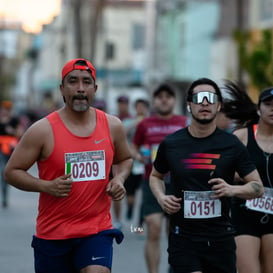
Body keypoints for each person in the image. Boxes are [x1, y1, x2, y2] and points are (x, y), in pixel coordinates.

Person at [4, 58, 133, 273]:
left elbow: (125, 159)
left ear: (95, 88)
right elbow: (11, 172)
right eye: (73, 82)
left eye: (86, 82)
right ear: (62, 89)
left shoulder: (112, 126)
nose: (80, 88)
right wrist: (45, 186)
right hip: (53, 232)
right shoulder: (42, 130)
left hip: (96, 229)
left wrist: (119, 178)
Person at [149, 77, 264, 273]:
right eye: (198, 98)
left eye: (210, 98)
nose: (204, 102)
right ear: (188, 105)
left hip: (221, 239)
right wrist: (161, 197)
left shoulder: (232, 144)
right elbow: (155, 176)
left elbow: (258, 188)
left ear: (218, 106)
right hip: (183, 238)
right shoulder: (171, 144)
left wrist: (232, 189)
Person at [132, 83, 187, 273]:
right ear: (154, 101)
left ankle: (173, 268)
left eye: (168, 96)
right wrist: (138, 156)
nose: (164, 99)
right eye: (160, 96)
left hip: (178, 182)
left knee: (173, 232)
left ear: (174, 100)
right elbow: (133, 145)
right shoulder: (145, 124)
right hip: (153, 180)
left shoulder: (184, 122)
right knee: (153, 228)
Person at [222, 82, 273, 273]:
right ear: (259, 108)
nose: (272, 109)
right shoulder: (241, 136)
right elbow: (225, 172)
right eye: (268, 104)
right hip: (244, 214)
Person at [123, 98, 150, 221]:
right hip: (133, 161)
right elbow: (122, 132)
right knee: (131, 192)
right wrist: (138, 123)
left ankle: (140, 222)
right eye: (138, 107)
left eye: (143, 107)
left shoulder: (150, 122)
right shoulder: (129, 121)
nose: (141, 109)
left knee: (145, 194)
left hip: (146, 161)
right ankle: (130, 207)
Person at [112, 94, 132, 228]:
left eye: (124, 103)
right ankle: (118, 220)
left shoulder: (133, 119)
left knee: (132, 197)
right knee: (115, 188)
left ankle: (130, 208)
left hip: (131, 160)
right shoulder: (113, 119)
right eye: (120, 103)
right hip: (115, 160)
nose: (122, 106)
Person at [0, 100, 24, 208]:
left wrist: (12, 131)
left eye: (8, 109)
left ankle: (5, 193)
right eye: (4, 109)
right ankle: (4, 192)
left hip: (10, 150)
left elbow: (21, 133)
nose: (5, 111)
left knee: (5, 171)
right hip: (1, 149)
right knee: (2, 170)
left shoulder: (14, 120)